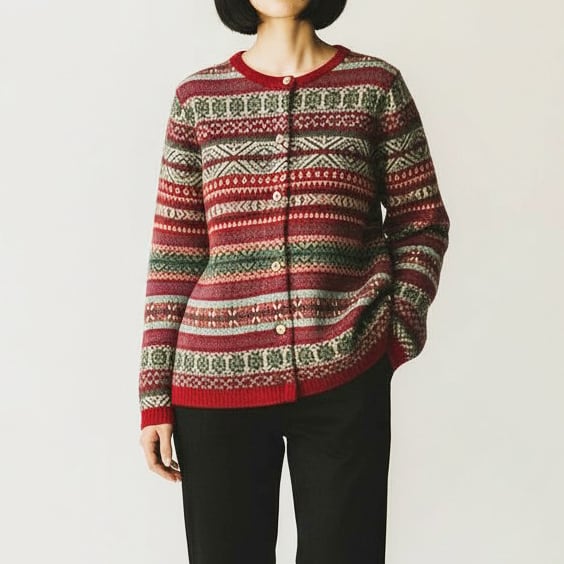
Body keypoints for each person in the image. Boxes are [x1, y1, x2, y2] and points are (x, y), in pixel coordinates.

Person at [138, 0, 450, 562]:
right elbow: (176, 255)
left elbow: (421, 221)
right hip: (215, 380)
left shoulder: (375, 88)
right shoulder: (198, 100)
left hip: (343, 372)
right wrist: (154, 395)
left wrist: (392, 332)